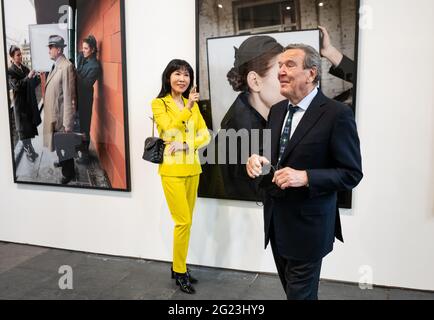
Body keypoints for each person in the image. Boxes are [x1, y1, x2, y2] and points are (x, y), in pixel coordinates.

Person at [246, 44, 363, 300]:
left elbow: (352, 173)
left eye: (289, 65)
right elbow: (276, 160)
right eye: (279, 66)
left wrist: (306, 176)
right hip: (277, 224)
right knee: (298, 294)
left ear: (311, 74)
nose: (281, 72)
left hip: (310, 228)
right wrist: (257, 162)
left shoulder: (337, 114)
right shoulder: (277, 111)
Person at [151, 59, 211, 294]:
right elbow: (168, 130)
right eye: (178, 74)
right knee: (183, 221)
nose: (183, 79)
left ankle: (179, 268)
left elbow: (205, 135)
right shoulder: (159, 104)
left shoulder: (191, 104)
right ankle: (180, 271)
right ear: (168, 77)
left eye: (187, 75)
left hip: (192, 168)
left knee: (187, 222)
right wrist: (186, 110)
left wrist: (187, 144)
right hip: (172, 171)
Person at [202, 36, 285, 201]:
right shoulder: (242, 137)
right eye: (280, 74)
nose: (288, 79)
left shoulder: (260, 119)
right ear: (255, 81)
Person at [43, 35, 77, 185]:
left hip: (61, 117)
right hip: (55, 115)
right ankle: (63, 164)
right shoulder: (57, 64)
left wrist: (68, 124)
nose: (49, 51)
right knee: (59, 144)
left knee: (65, 145)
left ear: (58, 49)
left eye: (51, 47)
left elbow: (69, 97)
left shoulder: (66, 66)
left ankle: (68, 173)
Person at [7, 45, 41, 162]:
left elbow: (32, 84)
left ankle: (31, 151)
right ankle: (29, 154)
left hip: (27, 104)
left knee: (28, 130)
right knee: (23, 131)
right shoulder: (10, 71)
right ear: (12, 57)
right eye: (18, 55)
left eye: (21, 54)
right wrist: (28, 77)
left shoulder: (25, 68)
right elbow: (17, 86)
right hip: (20, 105)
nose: (20, 56)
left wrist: (37, 78)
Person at [76, 35, 101, 164]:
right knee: (77, 125)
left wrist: (75, 74)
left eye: (86, 48)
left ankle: (85, 156)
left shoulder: (95, 66)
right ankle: (78, 149)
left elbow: (86, 85)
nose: (83, 50)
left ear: (92, 49)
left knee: (85, 126)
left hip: (85, 99)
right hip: (78, 97)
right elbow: (79, 56)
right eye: (83, 48)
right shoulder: (82, 56)